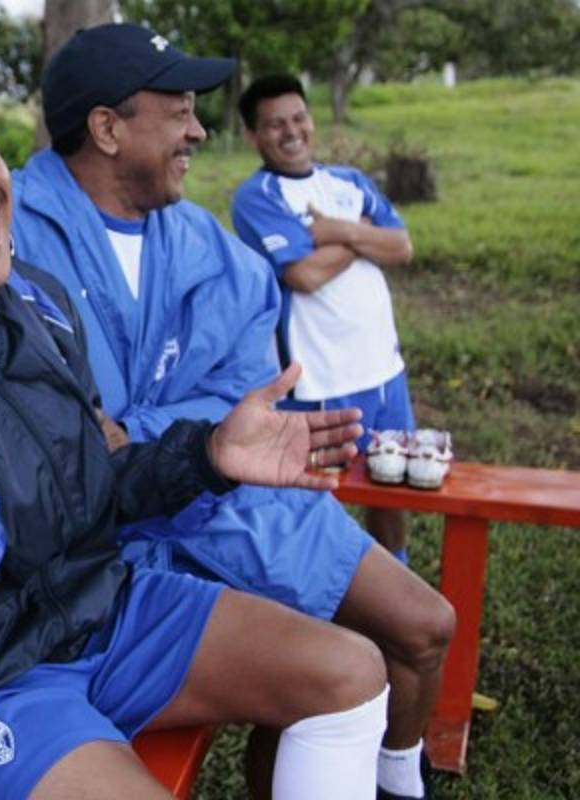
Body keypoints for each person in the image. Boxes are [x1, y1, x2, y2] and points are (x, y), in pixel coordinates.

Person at [0, 26, 453, 800]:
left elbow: (100, 471)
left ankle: (401, 779)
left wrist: (208, 454)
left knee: (354, 668)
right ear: (106, 128)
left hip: (103, 604)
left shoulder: (39, 300)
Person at [232, 73, 416, 566]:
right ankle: (331, 605)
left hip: (384, 371)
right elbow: (305, 274)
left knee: (391, 489)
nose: (291, 132)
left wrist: (336, 230)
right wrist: (363, 234)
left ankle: (396, 575)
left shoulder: (350, 181)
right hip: (319, 379)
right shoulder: (257, 197)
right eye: (274, 125)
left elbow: (402, 246)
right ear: (253, 136)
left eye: (298, 118)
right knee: (317, 502)